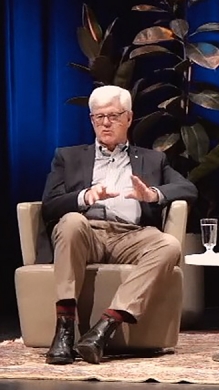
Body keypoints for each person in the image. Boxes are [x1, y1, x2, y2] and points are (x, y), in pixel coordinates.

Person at [41, 85, 198, 365]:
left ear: (128, 118)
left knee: (168, 244)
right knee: (71, 221)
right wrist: (84, 196)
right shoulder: (69, 156)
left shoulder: (152, 159)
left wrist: (152, 195)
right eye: (98, 117)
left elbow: (187, 188)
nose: (105, 123)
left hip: (131, 236)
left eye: (113, 115)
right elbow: (49, 204)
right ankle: (64, 329)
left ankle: (103, 329)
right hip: (86, 232)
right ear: (91, 120)